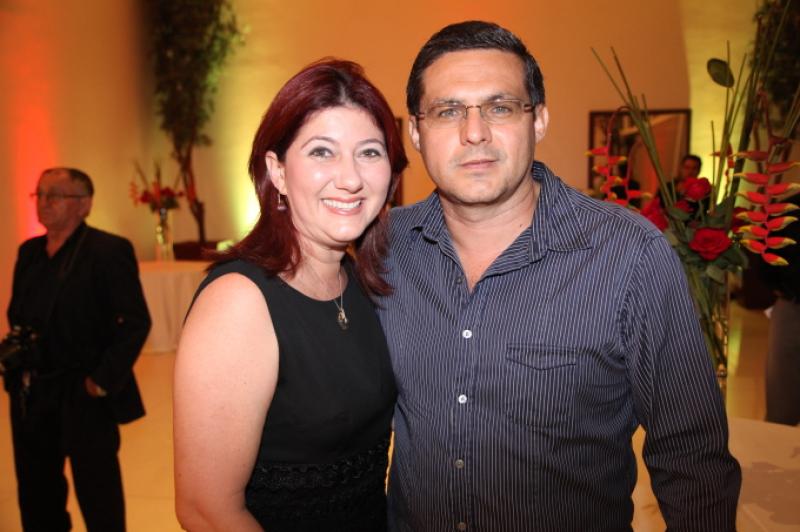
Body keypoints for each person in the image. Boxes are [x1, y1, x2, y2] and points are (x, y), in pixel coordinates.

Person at [377, 21, 741, 531]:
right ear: (416, 132)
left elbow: (692, 457)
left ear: (539, 120)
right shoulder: (383, 248)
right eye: (448, 111)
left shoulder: (628, 255)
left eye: (500, 107)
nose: (474, 132)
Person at [173, 59, 408, 531]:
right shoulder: (240, 302)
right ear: (277, 172)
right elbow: (206, 510)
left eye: (369, 152)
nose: (350, 178)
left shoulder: (360, 281)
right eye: (322, 152)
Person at [3, 167, 151, 532]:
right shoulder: (29, 252)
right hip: (31, 390)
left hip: (83, 390)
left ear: (84, 205)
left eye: (55, 195)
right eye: (40, 194)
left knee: (98, 492)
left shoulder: (108, 251)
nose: (44, 202)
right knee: (36, 491)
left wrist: (101, 380)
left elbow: (136, 322)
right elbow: (17, 312)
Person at [759, 191, 800, 425]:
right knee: (782, 405)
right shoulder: (789, 207)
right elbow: (764, 251)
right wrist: (778, 286)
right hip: (792, 306)